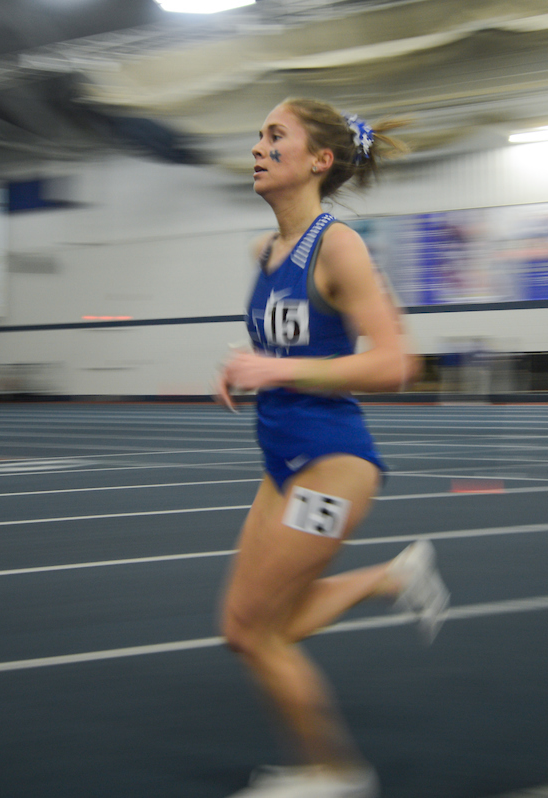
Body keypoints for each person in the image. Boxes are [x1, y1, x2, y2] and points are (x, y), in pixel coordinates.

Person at [215, 98, 451, 798]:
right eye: (257, 133)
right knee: (243, 627)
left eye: (274, 135)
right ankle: (394, 578)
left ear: (319, 160)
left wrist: (274, 369)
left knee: (262, 633)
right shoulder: (264, 252)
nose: (257, 146)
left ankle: (335, 772)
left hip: (332, 472)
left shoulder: (338, 245)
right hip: (280, 462)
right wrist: (243, 361)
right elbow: (291, 343)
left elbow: (395, 363)